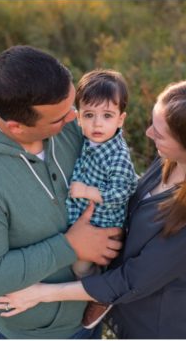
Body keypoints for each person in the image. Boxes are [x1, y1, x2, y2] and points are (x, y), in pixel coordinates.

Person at [0, 78, 186, 339]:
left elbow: (130, 281)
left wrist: (41, 293)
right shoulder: (171, 163)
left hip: (155, 328)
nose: (149, 134)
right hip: (122, 310)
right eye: (153, 124)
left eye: (160, 133)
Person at [0, 45, 124, 339]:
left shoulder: (65, 122)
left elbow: (111, 168)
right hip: (38, 331)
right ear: (17, 127)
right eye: (59, 118)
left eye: (73, 106)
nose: (74, 119)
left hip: (90, 310)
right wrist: (71, 246)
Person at [64, 70, 138, 328]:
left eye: (107, 116)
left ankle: (100, 293)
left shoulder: (116, 155)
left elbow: (121, 191)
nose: (97, 124)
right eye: (89, 115)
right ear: (79, 116)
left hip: (102, 225)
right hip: (85, 216)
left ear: (120, 120)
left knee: (80, 265)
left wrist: (86, 191)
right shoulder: (90, 139)